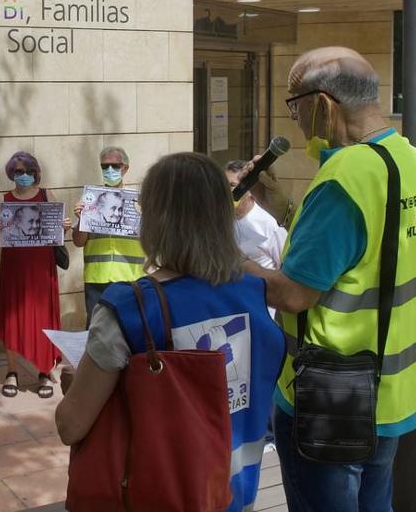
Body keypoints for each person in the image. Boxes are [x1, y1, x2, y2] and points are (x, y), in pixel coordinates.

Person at [243, 47, 416, 512]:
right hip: (393, 394)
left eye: (295, 106)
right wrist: (279, 206)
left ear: (324, 104)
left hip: (330, 401)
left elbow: (295, 294)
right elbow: (368, 253)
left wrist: (229, 260)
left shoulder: (343, 178)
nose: (294, 120)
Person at [55, 152, 285, 512]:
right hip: (236, 492)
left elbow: (71, 425)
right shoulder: (256, 292)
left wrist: (76, 385)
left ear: (156, 220)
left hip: (161, 493)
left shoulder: (127, 309)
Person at [0, 151, 70, 399]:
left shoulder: (47, 195)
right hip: (14, 268)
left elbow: (58, 233)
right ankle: (11, 372)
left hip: (41, 268)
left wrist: (64, 227)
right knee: (13, 318)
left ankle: (44, 370)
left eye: (26, 171)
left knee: (43, 318)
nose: (22, 176)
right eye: (17, 171)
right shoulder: (3, 199)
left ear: (35, 172)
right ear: (11, 174)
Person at [72, 147, 146, 324]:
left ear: (125, 168)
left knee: (130, 328)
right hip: (97, 278)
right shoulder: (90, 199)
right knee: (96, 329)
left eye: (115, 166)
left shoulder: (139, 202)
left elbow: (151, 242)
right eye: (105, 166)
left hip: (130, 278)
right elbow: (78, 242)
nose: (110, 170)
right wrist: (81, 218)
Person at [225, 160, 287, 272]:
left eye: (232, 185)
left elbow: (285, 267)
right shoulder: (219, 220)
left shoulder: (270, 222)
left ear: (249, 190)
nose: (226, 191)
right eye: (223, 185)